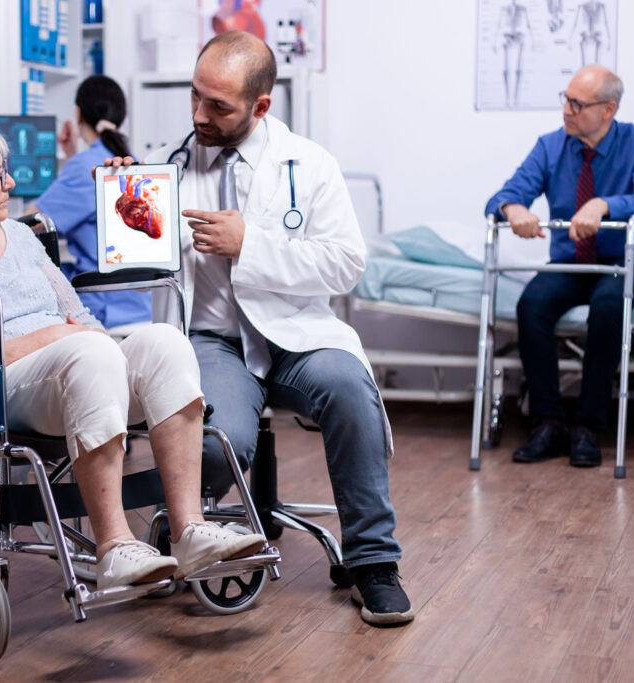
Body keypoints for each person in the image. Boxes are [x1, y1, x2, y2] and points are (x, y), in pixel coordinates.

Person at [104, 31, 413, 626]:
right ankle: (183, 518)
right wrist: (126, 202)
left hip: (295, 335)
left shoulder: (311, 164)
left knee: (351, 394)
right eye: (195, 98)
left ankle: (372, 562)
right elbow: (138, 268)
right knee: (220, 445)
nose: (199, 116)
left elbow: (346, 264)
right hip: (213, 341)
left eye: (218, 106)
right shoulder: (167, 168)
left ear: (261, 106)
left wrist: (253, 246)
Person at [0, 117, 264, 591]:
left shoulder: (21, 238)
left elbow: (79, 317)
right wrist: (53, 338)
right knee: (87, 351)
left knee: (162, 341)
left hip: (74, 369)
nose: (10, 182)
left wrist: (112, 354)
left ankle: (188, 529)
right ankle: (114, 547)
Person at [484, 65, 634, 468]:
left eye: (577, 104)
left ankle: (587, 427)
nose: (566, 110)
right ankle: (549, 423)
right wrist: (513, 208)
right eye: (565, 99)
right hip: (570, 263)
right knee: (531, 307)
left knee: (606, 308)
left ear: (607, 110)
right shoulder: (550, 146)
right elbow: (506, 193)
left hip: (623, 260)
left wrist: (605, 204)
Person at [28, 75, 151, 328]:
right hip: (138, 307)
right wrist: (73, 154)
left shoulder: (84, 167)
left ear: (78, 113)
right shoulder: (129, 159)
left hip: (103, 309)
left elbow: (30, 224)